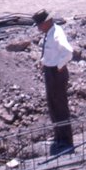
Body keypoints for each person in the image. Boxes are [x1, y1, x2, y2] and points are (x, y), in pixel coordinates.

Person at [33, 9, 74, 154]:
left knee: (60, 107)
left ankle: (66, 141)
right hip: (50, 71)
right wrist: (44, 62)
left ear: (47, 22)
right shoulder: (49, 33)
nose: (38, 28)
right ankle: (59, 136)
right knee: (53, 105)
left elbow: (68, 52)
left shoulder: (56, 34)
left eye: (39, 24)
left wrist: (59, 66)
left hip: (56, 73)